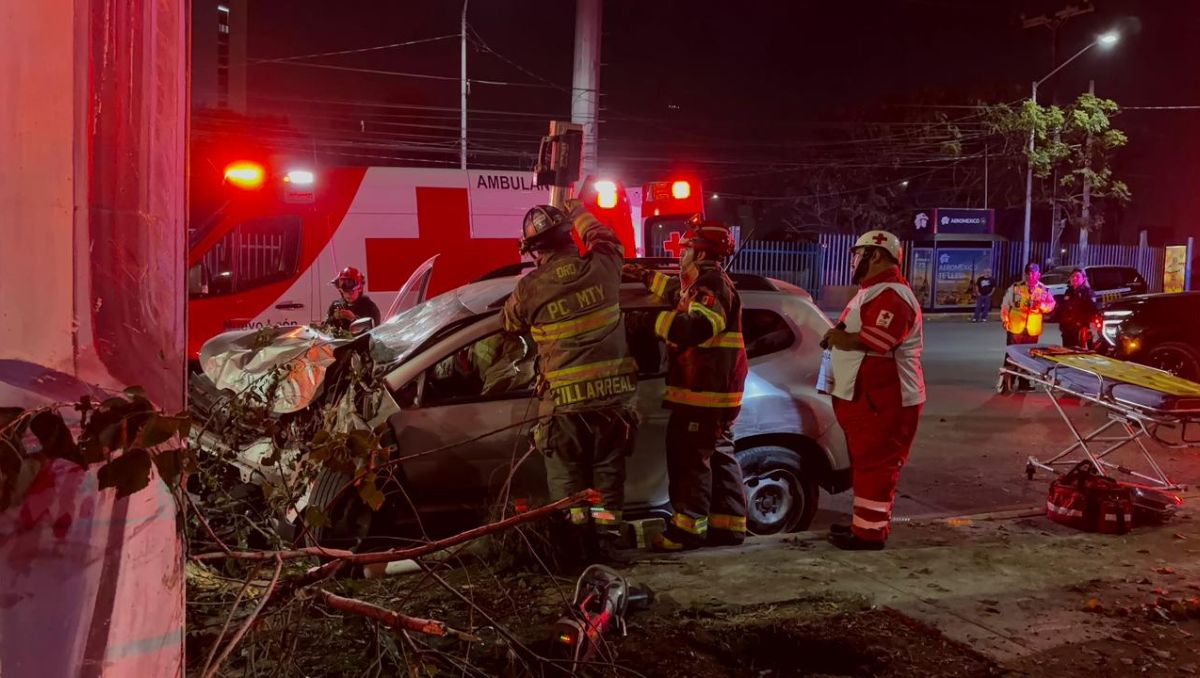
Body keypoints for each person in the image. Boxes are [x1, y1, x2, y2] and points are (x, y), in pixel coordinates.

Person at [502, 199, 639, 563]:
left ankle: (575, 550)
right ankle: (607, 545)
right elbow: (607, 239)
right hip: (612, 405)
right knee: (608, 485)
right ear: (569, 236)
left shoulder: (529, 289)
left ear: (533, 251)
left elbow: (510, 324)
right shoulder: (603, 266)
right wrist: (579, 212)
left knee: (569, 490)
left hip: (564, 409)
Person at [624, 218, 749, 551]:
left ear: (700, 250)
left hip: (703, 393)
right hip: (715, 392)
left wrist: (651, 321)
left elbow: (698, 326)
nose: (682, 254)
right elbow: (680, 295)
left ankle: (686, 531)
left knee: (689, 460)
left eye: (686, 248)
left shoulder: (710, 282)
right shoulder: (705, 281)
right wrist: (646, 277)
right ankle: (729, 525)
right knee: (718, 458)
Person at [821, 230, 925, 551]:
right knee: (867, 465)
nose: (853, 260)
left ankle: (869, 535)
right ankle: (864, 528)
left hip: (887, 399)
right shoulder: (873, 291)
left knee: (876, 466)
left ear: (875, 255)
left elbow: (879, 340)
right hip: (870, 399)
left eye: (858, 253)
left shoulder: (892, 295)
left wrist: (839, 339)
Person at [1000, 263, 1056, 390]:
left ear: (1039, 274)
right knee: (1011, 355)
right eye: (1028, 273)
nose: (1030, 276)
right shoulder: (1016, 287)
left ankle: (1024, 383)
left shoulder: (1044, 290)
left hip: (1032, 329)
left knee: (1028, 357)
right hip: (1016, 328)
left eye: (1033, 273)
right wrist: (1005, 319)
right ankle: (1005, 383)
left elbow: (1051, 305)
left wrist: (1041, 306)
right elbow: (1005, 305)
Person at [326, 267, 381, 331]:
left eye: (351, 292)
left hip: (362, 341)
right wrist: (334, 318)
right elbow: (325, 327)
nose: (347, 295)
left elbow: (375, 332)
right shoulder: (335, 305)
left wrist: (353, 319)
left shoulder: (369, 307)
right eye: (344, 291)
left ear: (359, 289)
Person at [1057, 268, 1099, 349]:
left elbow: (1092, 311)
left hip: (1080, 330)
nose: (1074, 278)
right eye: (1072, 276)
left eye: (1077, 276)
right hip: (1067, 330)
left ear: (1083, 278)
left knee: (1078, 354)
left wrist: (1083, 325)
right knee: (1066, 352)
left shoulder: (1088, 293)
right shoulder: (1068, 292)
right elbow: (1062, 309)